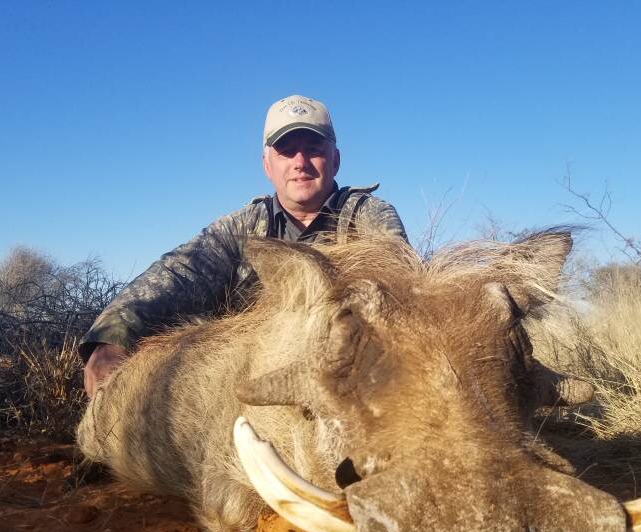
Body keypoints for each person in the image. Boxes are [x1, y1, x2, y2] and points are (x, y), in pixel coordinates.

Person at [81, 94, 408, 396]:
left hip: (352, 388)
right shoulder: (243, 226)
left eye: (313, 148)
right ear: (267, 165)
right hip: (252, 390)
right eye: (286, 151)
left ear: (334, 160)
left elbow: (400, 287)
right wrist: (112, 336)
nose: (300, 162)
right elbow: (180, 271)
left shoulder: (370, 216)